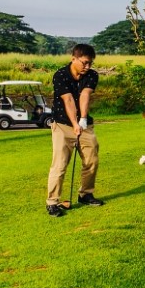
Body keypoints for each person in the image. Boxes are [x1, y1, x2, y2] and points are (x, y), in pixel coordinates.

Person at [46, 44, 102, 216]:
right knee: (60, 164)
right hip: (62, 125)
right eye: (84, 63)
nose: (88, 67)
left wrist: (83, 120)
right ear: (74, 59)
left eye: (90, 63)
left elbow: (84, 95)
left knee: (91, 160)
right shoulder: (60, 75)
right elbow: (68, 100)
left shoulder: (92, 75)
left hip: (84, 125)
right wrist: (75, 124)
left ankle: (85, 194)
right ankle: (53, 202)